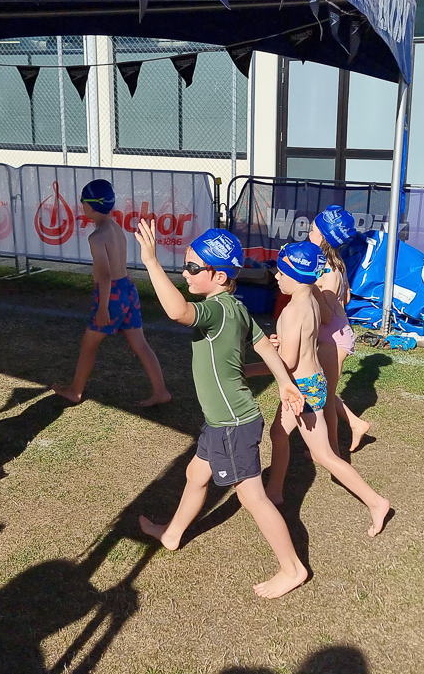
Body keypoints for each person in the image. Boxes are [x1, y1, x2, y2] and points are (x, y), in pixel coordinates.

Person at [132, 224, 309, 599]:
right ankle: (172, 534)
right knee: (196, 474)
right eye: (185, 266)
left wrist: (150, 262)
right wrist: (284, 382)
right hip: (222, 421)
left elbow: (178, 312)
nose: (185, 273)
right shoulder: (237, 306)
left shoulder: (214, 309)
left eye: (193, 268)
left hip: (233, 424)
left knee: (251, 497)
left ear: (219, 276)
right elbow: (264, 345)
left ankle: (292, 568)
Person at [255, 241, 392, 535]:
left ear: (296, 276)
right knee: (278, 433)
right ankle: (275, 491)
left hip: (302, 389)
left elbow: (287, 363)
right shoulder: (311, 303)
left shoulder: (292, 311)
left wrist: (252, 366)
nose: (276, 277)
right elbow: (302, 345)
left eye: (281, 273)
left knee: (323, 455)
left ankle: (376, 502)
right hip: (311, 381)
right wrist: (282, 343)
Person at [52, 179, 171, 407]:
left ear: (90, 206)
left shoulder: (96, 237)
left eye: (82, 202)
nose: (81, 206)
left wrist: (103, 307)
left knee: (88, 345)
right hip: (128, 289)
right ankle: (161, 391)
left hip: (111, 294)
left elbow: (105, 275)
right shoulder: (116, 228)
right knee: (141, 344)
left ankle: (75, 391)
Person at [308, 205, 371, 453]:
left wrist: (310, 287)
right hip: (334, 335)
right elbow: (345, 299)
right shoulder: (336, 264)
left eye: (312, 230)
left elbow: (326, 315)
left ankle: (331, 452)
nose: (308, 233)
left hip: (333, 340)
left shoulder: (329, 271)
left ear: (324, 237)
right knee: (321, 391)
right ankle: (356, 424)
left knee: (323, 398)